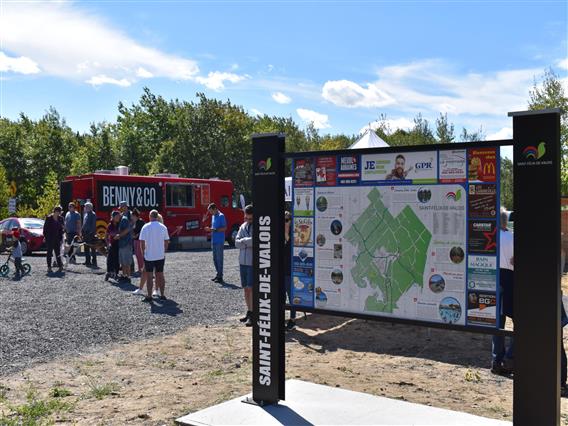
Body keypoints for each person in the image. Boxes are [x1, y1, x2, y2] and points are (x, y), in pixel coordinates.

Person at [491, 209, 514, 375]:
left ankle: (496, 360)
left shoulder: (491, 237)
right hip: (510, 279)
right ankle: (510, 357)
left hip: (494, 277)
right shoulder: (512, 237)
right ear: (506, 221)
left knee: (497, 323)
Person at [139, 209, 170, 303]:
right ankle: (163, 294)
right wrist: (164, 251)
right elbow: (166, 241)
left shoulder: (145, 227)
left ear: (150, 216)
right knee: (160, 274)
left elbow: (142, 242)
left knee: (149, 276)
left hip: (149, 255)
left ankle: (149, 296)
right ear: (157, 216)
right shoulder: (163, 227)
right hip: (160, 255)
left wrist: (143, 253)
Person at [235, 204, 253, 327]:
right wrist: (247, 241)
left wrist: (244, 241)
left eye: (250, 218)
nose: (247, 220)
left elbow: (255, 240)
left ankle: (254, 313)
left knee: (251, 288)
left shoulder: (259, 226)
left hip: (252, 263)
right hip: (243, 262)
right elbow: (236, 242)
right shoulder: (242, 226)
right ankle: (249, 311)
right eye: (246, 218)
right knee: (246, 288)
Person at [204, 203, 226, 284]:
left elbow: (224, 228)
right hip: (214, 240)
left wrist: (212, 230)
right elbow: (213, 228)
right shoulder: (213, 216)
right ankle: (218, 274)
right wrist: (210, 230)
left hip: (219, 241)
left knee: (219, 259)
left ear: (215, 209)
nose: (210, 213)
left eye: (211, 211)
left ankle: (220, 276)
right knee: (215, 259)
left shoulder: (221, 216)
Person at [284, 211, 297, 330]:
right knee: (281, 296)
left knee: (291, 296)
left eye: (287, 220)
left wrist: (287, 229)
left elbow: (289, 242)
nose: (285, 222)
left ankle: (293, 320)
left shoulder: (293, 233)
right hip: (281, 270)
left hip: (289, 270)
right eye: (283, 220)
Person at [43, 205, 65, 273]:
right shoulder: (49, 218)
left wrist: (62, 235)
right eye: (58, 212)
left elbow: (62, 228)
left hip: (57, 238)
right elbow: (45, 229)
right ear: (55, 211)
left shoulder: (61, 218)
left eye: (60, 212)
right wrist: (46, 237)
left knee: (58, 253)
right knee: (49, 253)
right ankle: (49, 267)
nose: (59, 214)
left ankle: (60, 266)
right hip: (50, 238)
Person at [115, 201, 133, 283]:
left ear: (125, 207)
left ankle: (128, 277)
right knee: (123, 261)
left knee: (126, 261)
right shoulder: (123, 216)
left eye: (121, 207)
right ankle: (124, 275)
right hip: (123, 242)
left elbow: (128, 229)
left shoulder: (127, 217)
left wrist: (119, 235)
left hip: (126, 242)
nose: (120, 209)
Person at [132, 209, 147, 295]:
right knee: (137, 255)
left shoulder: (141, 222)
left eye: (133, 216)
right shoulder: (134, 222)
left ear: (136, 216)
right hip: (135, 240)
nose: (132, 217)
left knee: (140, 255)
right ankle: (140, 268)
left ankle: (142, 269)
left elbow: (142, 231)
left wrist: (136, 235)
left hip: (139, 240)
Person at [105, 211, 121, 281]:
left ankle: (116, 273)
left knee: (116, 260)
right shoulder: (109, 225)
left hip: (118, 244)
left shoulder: (120, 225)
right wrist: (108, 244)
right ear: (113, 217)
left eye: (119, 216)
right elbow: (106, 236)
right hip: (112, 244)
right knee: (109, 259)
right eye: (117, 217)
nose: (118, 218)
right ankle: (108, 272)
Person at [82, 202, 98, 268]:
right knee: (86, 248)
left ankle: (94, 262)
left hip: (90, 234)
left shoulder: (93, 214)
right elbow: (84, 223)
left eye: (86, 207)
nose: (84, 208)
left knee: (92, 248)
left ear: (90, 207)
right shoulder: (85, 214)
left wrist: (91, 232)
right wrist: (82, 231)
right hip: (85, 233)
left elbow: (93, 225)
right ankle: (87, 261)